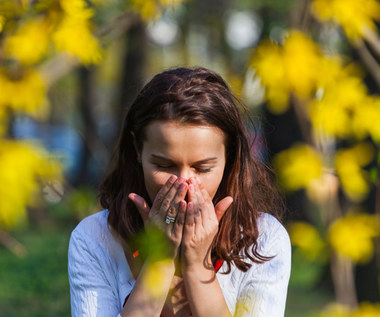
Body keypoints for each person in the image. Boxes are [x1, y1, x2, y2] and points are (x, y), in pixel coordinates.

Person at [68, 67, 291, 317]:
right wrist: (159, 261)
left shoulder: (263, 240)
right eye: (164, 166)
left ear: (229, 157)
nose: (184, 183)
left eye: (203, 168)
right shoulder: (95, 239)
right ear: (137, 150)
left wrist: (198, 267)